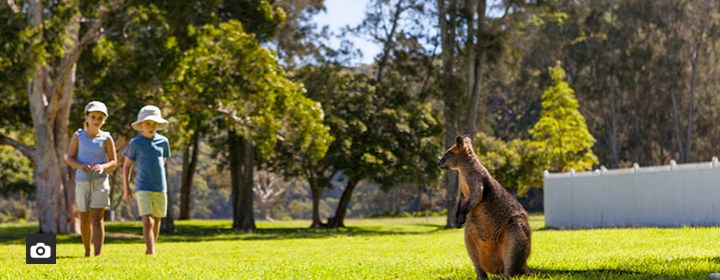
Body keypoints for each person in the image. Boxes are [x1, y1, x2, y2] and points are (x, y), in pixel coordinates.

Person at [65, 101, 117, 257]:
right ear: (86, 117)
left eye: (100, 118)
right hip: (82, 182)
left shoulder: (107, 138)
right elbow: (69, 157)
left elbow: (114, 161)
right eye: (93, 117)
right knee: (84, 217)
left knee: (97, 218)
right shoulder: (78, 136)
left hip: (100, 182)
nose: (96, 120)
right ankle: (87, 252)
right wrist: (81, 166)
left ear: (104, 120)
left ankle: (98, 254)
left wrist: (103, 167)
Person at [122, 105, 171, 255]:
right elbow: (126, 166)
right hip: (143, 187)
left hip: (160, 187)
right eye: (148, 123)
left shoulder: (163, 141)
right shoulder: (135, 143)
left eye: (154, 123)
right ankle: (150, 252)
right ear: (141, 125)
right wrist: (126, 189)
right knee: (147, 220)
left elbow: (163, 160)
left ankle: (151, 248)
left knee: (156, 220)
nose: (151, 126)